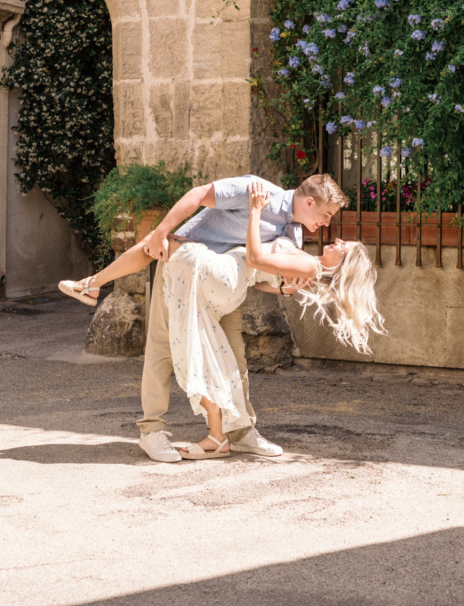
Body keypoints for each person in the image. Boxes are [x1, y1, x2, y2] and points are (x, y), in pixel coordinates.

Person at [59, 173, 348, 462]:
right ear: (309, 201)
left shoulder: (293, 234)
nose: (327, 223)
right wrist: (162, 231)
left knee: (236, 359)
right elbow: (197, 194)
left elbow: (258, 273)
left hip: (223, 286)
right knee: (163, 350)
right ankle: (151, 432)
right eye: (326, 214)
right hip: (182, 271)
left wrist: (283, 290)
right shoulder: (257, 191)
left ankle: (240, 433)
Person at [164, 180, 383, 458]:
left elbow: (256, 263)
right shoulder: (288, 232)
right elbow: (260, 273)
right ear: (310, 203)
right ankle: (215, 434)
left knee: (215, 358)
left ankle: (226, 435)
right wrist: (285, 286)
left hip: (219, 280)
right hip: (215, 275)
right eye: (327, 215)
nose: (331, 230)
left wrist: (256, 212)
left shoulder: (304, 259)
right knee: (212, 358)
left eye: (342, 245)